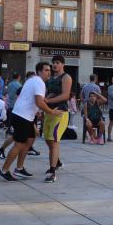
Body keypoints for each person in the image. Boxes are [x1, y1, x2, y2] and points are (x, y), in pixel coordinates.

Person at [0, 62, 60, 182]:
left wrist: (36, 112)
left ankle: (19, 168)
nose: (49, 72)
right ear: (39, 71)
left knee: (31, 138)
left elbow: (28, 98)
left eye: (49, 70)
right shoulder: (39, 83)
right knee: (19, 144)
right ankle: (4, 171)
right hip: (22, 116)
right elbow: (39, 102)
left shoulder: (32, 80)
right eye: (46, 70)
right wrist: (50, 112)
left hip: (25, 116)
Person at [43, 55, 73, 183]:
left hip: (60, 112)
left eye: (57, 62)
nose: (54, 65)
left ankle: (52, 171)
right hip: (49, 112)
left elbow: (66, 95)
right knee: (47, 139)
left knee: (54, 141)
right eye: (53, 63)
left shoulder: (66, 77)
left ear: (63, 65)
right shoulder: (50, 78)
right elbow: (48, 93)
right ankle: (58, 161)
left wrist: (48, 100)